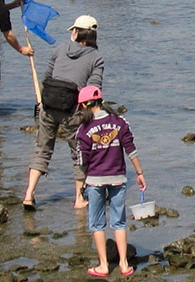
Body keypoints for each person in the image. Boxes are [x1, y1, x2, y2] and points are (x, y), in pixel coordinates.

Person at [23, 15, 105, 210]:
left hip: (49, 106)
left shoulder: (58, 50)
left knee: (42, 149)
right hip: (73, 110)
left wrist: (42, 102)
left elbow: (45, 80)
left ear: (76, 32)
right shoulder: (96, 58)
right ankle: (78, 198)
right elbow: (94, 88)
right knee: (79, 153)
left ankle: (28, 194)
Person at [76, 84, 145, 278]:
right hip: (118, 178)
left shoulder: (84, 129)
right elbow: (131, 149)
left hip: (95, 180)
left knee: (97, 224)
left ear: (85, 106)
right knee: (119, 222)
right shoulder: (120, 122)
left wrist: (81, 185)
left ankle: (103, 265)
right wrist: (139, 173)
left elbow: (83, 161)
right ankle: (124, 264)